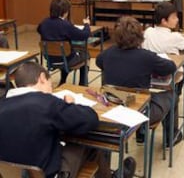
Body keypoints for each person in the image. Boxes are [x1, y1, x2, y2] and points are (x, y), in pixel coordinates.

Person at [0, 62, 137, 178]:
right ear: (42, 78)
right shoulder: (45, 102)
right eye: (50, 85)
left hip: (10, 173)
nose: (51, 91)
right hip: (49, 174)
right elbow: (90, 120)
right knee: (87, 142)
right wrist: (71, 106)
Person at [96, 16, 183, 146]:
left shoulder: (108, 53)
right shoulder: (146, 56)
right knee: (172, 96)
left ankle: (141, 135)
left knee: (135, 95)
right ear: (139, 36)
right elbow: (170, 67)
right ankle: (171, 137)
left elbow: (99, 62)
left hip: (113, 106)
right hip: (140, 110)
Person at [37, 0, 90, 86]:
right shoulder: (65, 25)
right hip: (67, 59)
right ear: (65, 12)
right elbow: (84, 35)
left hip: (50, 58)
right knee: (85, 54)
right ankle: (83, 84)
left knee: (63, 52)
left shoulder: (44, 22)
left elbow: (39, 30)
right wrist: (87, 25)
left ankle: (63, 81)